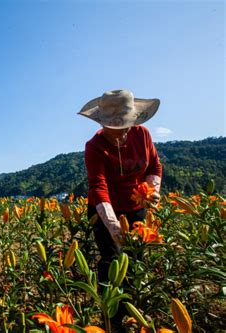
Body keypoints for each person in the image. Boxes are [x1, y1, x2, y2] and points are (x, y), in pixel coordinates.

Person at [78, 89, 162, 332]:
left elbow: (154, 165)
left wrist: (152, 190)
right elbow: (98, 186)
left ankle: (132, 311)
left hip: (136, 208)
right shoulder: (94, 147)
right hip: (105, 209)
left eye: (125, 125)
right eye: (114, 128)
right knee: (112, 260)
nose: (121, 132)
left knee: (135, 260)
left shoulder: (142, 135)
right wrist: (113, 225)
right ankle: (112, 319)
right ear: (102, 123)